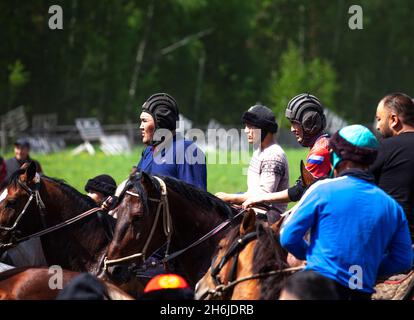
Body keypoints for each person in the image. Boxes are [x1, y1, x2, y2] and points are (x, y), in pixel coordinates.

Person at [280, 124, 413, 300]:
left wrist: (314, 257)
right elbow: (403, 259)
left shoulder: (322, 190)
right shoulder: (391, 207)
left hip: (316, 287)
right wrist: (370, 267)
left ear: (338, 158)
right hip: (360, 291)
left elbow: (288, 236)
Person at [243, 93, 331, 209]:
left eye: (294, 123)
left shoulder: (320, 152)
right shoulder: (323, 143)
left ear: (308, 122)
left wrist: (261, 197)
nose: (292, 129)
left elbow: (299, 191)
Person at [215, 104, 289, 216]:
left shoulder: (273, 156)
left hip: (266, 221)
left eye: (250, 126)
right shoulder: (259, 151)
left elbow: (262, 196)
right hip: (254, 212)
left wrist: (229, 197)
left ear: (264, 128)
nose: (245, 131)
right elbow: (252, 193)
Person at [137, 93, 207, 190]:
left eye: (144, 121)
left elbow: (196, 201)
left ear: (161, 121)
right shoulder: (148, 151)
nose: (141, 127)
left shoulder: (186, 151)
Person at [371, 93, 414, 238]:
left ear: (394, 120)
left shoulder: (384, 148)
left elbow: (357, 184)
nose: (377, 126)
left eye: (379, 119)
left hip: (394, 243)